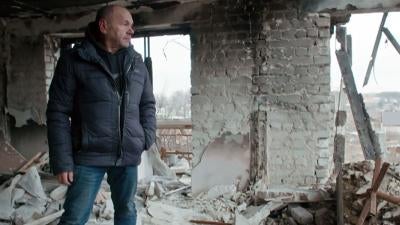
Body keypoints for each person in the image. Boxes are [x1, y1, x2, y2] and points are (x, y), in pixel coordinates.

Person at [46, 5, 156, 225]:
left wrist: (145, 137)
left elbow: (148, 104)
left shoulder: (137, 63)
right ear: (104, 26)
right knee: (74, 217)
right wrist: (62, 160)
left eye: (132, 26)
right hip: (88, 157)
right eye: (125, 24)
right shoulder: (74, 60)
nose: (131, 30)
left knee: (127, 211)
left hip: (126, 156)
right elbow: (57, 111)